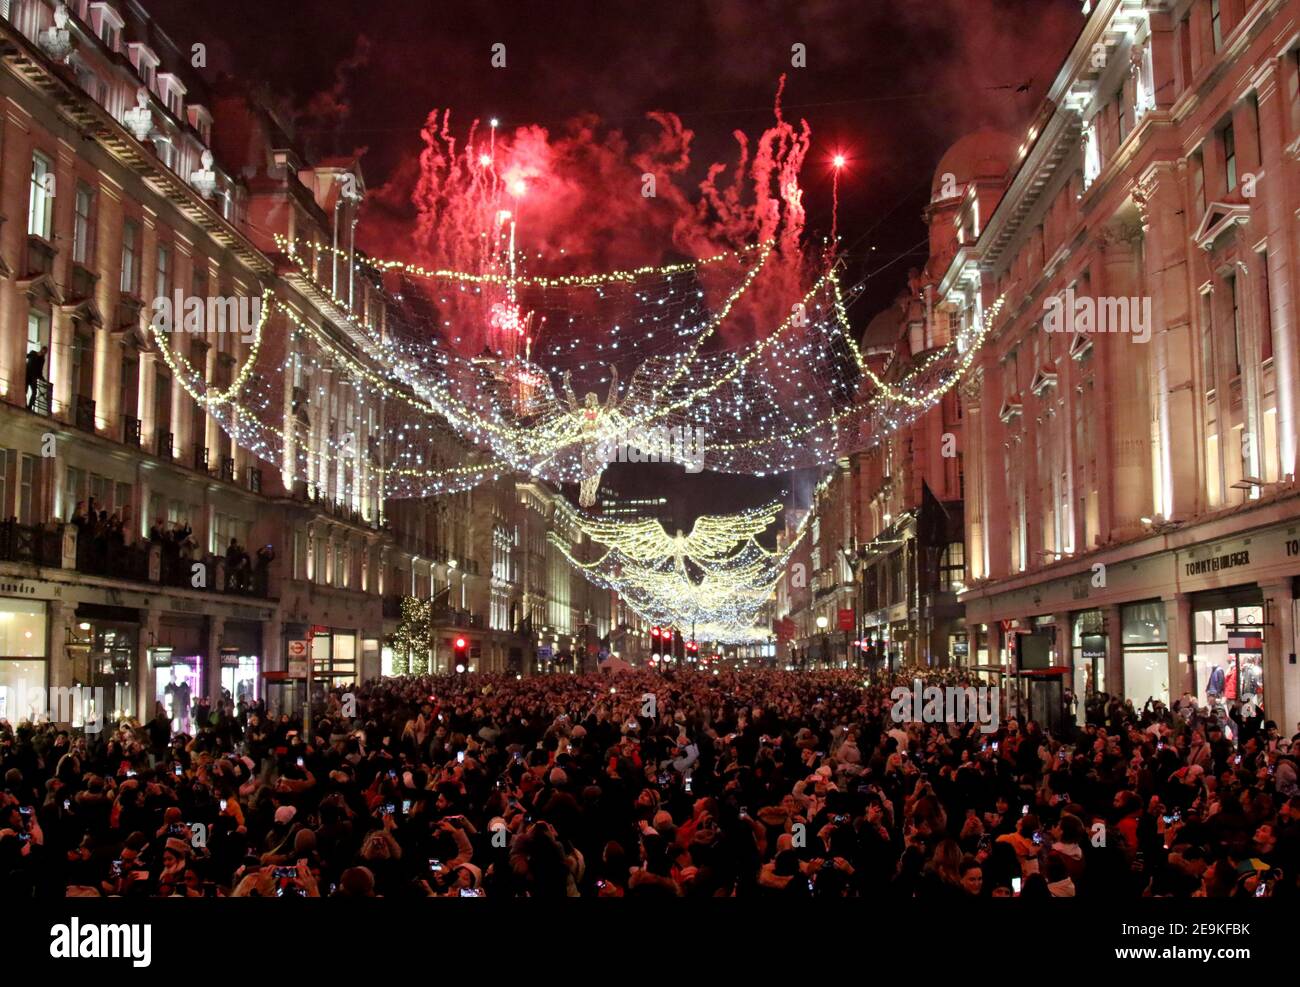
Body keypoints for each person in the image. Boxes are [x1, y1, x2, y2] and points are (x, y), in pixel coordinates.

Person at [25, 346, 48, 411]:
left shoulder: (42, 360)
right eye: (44, 351)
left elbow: (40, 370)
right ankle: (25, 405)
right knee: (25, 391)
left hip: (33, 377)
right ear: (41, 350)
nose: (44, 353)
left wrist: (42, 379)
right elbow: (26, 356)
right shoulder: (33, 353)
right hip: (27, 375)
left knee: (34, 392)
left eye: (45, 352)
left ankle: (29, 407)